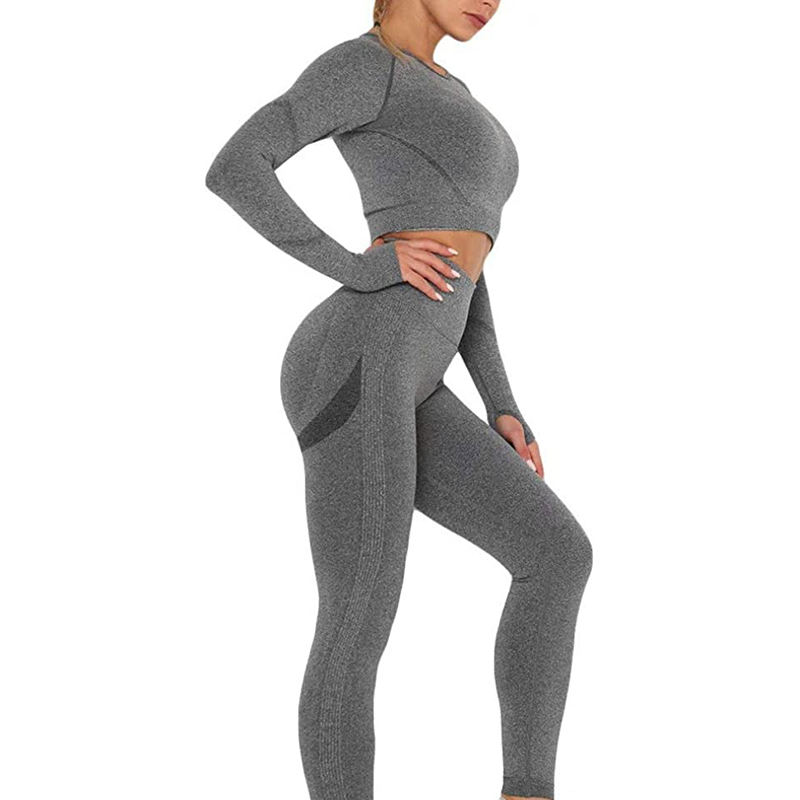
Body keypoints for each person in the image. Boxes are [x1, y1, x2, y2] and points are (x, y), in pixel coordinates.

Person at [204, 3, 593, 799]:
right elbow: (237, 165)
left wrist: (502, 400)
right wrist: (357, 266)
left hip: (420, 367)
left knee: (556, 555)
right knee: (360, 614)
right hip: (356, 355)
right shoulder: (364, 65)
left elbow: (465, 269)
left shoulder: (452, 91)